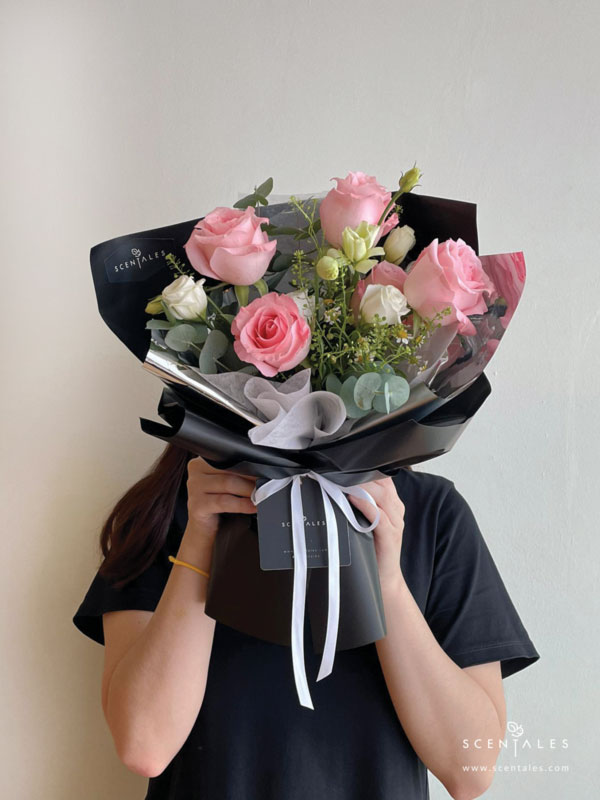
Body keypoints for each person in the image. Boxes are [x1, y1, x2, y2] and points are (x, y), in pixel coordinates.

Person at [73, 444, 540, 800]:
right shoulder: (169, 516)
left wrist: (389, 584)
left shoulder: (427, 514)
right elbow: (144, 746)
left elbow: (471, 768)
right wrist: (200, 542)